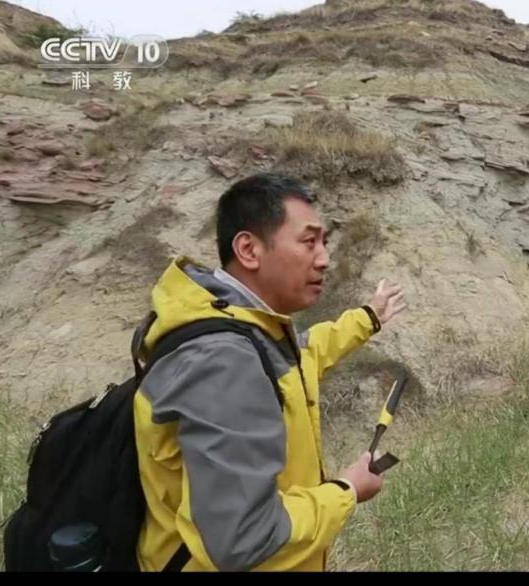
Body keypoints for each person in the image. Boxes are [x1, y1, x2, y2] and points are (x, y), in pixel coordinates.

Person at [132, 173, 407, 571]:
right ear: (248, 249)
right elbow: (245, 539)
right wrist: (346, 490)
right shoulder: (223, 361)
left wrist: (368, 317)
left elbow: (307, 354)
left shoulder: (243, 329)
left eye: (325, 242)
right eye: (308, 241)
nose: (324, 258)